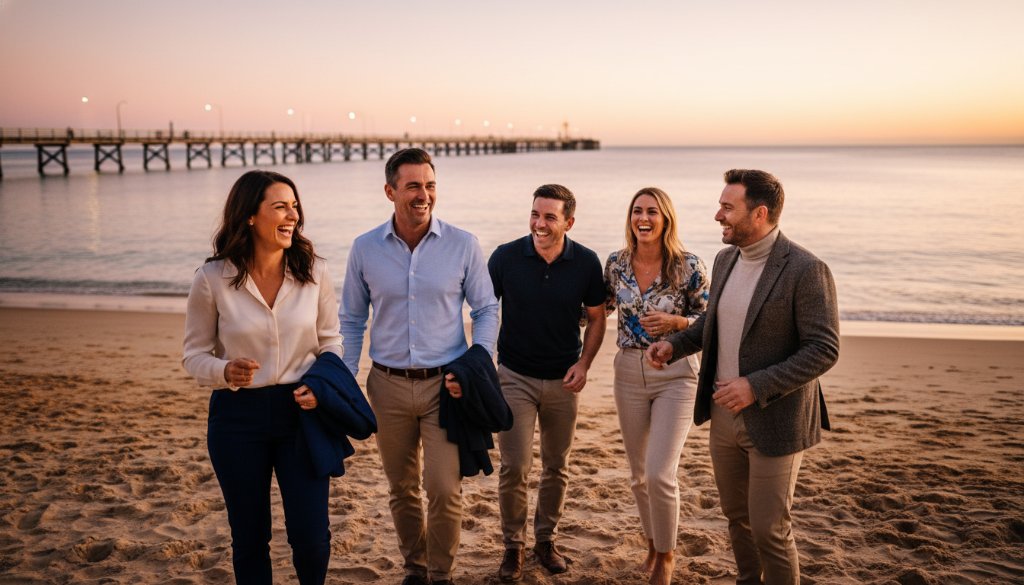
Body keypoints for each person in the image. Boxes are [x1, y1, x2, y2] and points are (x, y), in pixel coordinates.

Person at [647, 170, 839, 585]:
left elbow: (824, 349)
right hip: (723, 415)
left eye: (728, 208)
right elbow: (711, 325)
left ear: (761, 213)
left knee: (771, 528)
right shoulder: (726, 259)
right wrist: (674, 345)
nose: (718, 215)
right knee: (738, 520)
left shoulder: (806, 269)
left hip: (777, 419)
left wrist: (755, 386)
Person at [339, 148, 499, 585]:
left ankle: (442, 574)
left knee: (445, 490)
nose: (423, 194)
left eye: (429, 185)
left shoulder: (463, 245)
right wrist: (346, 376)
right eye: (412, 186)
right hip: (386, 386)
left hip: (445, 387)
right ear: (390, 191)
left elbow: (486, 309)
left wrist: (477, 359)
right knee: (402, 488)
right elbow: (352, 318)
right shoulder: (365, 248)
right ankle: (416, 567)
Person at [182, 170, 342, 585]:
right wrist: (223, 371)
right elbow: (193, 355)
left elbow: (331, 342)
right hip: (237, 416)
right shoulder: (212, 278)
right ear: (250, 216)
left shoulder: (315, 272)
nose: (293, 215)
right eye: (280, 206)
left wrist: (319, 387)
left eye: (294, 206)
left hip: (302, 414)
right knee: (249, 536)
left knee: (310, 536)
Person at [487, 184, 606, 582]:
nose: (539, 223)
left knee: (557, 466)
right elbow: (484, 309)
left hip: (563, 379)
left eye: (550, 217)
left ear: (568, 222)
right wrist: (480, 361)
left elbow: (597, 317)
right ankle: (513, 547)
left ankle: (545, 539)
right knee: (514, 466)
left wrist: (585, 364)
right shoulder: (505, 257)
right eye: (535, 214)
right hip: (514, 377)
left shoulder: (587, 263)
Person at [604, 187, 709, 585]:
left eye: (651, 212)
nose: (642, 218)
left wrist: (676, 324)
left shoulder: (688, 265)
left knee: (661, 472)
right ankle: (652, 542)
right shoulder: (616, 264)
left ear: (665, 218)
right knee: (638, 474)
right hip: (628, 372)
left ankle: (666, 556)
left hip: (676, 373)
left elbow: (710, 317)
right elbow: (595, 312)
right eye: (636, 211)